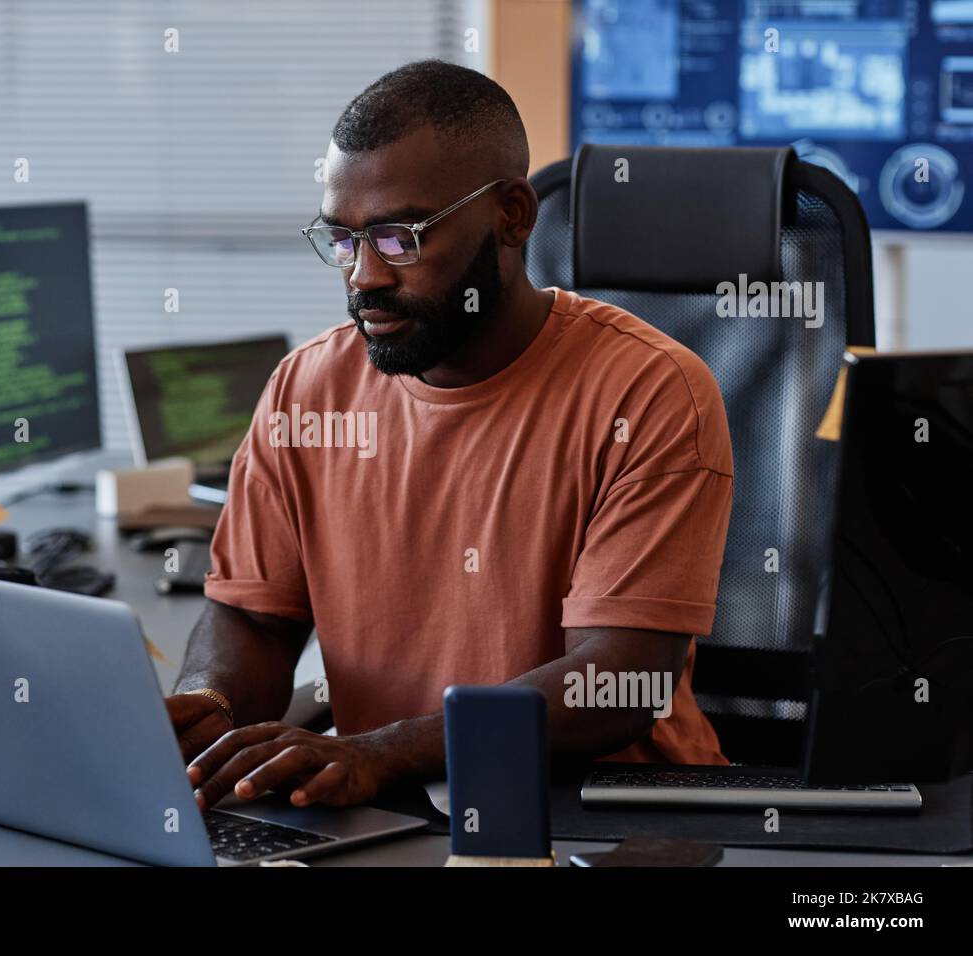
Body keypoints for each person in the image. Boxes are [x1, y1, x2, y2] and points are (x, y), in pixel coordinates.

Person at [167, 60, 733, 811]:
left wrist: (378, 752)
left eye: (399, 239)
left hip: (601, 810)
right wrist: (214, 708)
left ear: (511, 215)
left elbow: (618, 678)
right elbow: (253, 618)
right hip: (391, 806)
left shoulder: (651, 391)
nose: (363, 276)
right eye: (342, 240)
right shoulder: (306, 391)